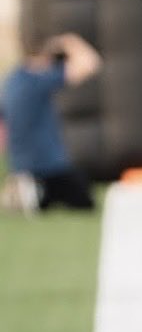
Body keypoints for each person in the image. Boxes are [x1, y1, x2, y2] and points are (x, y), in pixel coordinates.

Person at [0, 33, 101, 211]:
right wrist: (68, 41)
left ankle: (27, 190)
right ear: (45, 58)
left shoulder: (11, 82)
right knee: (84, 197)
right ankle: (35, 193)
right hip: (50, 167)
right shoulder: (39, 79)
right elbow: (91, 64)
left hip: (20, 166)